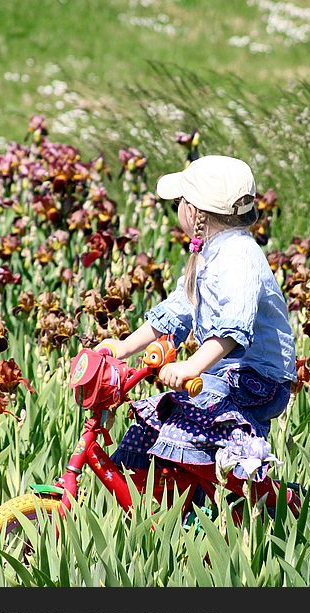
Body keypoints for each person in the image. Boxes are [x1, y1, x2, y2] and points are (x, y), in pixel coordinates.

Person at [98, 154, 296, 499]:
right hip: (226, 372)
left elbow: (233, 330)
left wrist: (192, 366)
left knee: (185, 425)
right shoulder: (210, 253)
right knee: (155, 426)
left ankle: (258, 497)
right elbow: (177, 310)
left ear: (195, 212)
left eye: (180, 202)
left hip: (257, 378)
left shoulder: (239, 258)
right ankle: (187, 502)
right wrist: (124, 347)